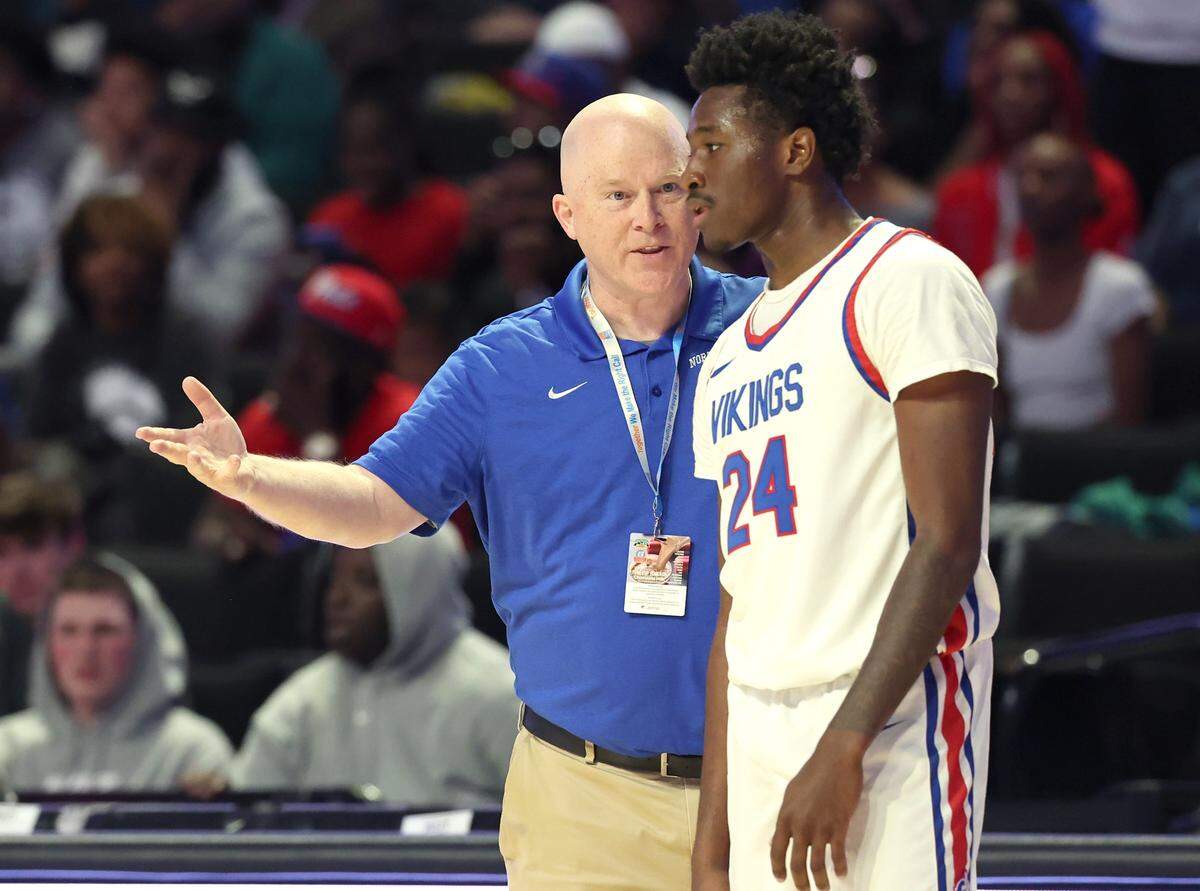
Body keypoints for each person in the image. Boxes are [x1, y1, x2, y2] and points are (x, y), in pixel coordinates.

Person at [137, 93, 763, 888]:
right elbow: (371, 503)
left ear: (698, 196)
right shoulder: (500, 366)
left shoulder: (769, 332)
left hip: (763, 779)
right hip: (580, 798)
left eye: (667, 189)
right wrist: (246, 473)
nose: (648, 218)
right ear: (567, 214)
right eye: (617, 195)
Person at [684, 12, 998, 891]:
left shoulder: (906, 279)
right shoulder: (728, 353)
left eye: (711, 143)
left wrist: (844, 742)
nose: (688, 171)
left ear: (794, 150)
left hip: (887, 717)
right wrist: (713, 844)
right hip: (759, 723)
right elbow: (731, 612)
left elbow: (945, 540)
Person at [230, 527, 516, 804]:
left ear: (420, 589)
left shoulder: (498, 693)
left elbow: (548, 825)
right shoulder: (303, 701)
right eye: (334, 579)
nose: (337, 598)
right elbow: (246, 822)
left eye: (364, 581)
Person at [0, 555, 232, 792]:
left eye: (105, 630)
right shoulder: (8, 748)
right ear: (46, 644)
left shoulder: (190, 751)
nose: (86, 650)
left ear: (142, 641)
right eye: (68, 631)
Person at [982, 133, 1155, 431]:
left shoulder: (1120, 286)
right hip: (1020, 466)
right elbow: (994, 413)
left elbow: (1131, 418)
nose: (1030, 188)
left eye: (1049, 177)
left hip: (1101, 464)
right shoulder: (997, 288)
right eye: (1022, 176)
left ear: (1087, 192)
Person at [933, 30, 1140, 279]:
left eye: (1029, 80)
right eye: (998, 81)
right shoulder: (959, 192)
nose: (1010, 94)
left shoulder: (1105, 181)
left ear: (1059, 87)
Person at [306, 69, 469, 292]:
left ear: (405, 145)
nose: (361, 165)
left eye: (374, 150)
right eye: (351, 151)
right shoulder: (329, 219)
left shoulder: (449, 211)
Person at [0, 474, 85, 718]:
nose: (16, 572)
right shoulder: (6, 620)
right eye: (2, 552)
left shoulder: (119, 605)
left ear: (74, 544)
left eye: (32, 546)